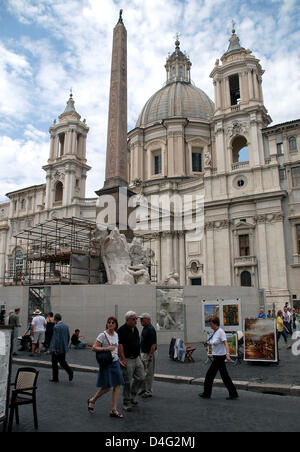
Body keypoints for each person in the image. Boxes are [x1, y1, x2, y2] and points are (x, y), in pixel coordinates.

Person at [87, 317, 124, 418]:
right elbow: (94, 347)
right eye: (109, 322)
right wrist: (106, 348)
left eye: (113, 322)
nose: (111, 324)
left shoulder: (116, 334)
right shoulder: (102, 335)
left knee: (117, 385)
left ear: (116, 324)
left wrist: (120, 359)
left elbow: (116, 349)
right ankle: (92, 400)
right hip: (107, 363)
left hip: (115, 362)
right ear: (107, 324)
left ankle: (113, 409)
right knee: (107, 387)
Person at [199, 316, 239, 400]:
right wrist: (208, 344)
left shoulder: (220, 332)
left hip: (219, 357)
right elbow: (215, 342)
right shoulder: (215, 332)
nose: (210, 326)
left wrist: (228, 355)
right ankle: (233, 393)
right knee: (225, 376)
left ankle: (207, 393)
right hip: (217, 357)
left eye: (211, 324)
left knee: (209, 375)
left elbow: (226, 344)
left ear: (215, 324)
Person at [117, 311, 145, 412]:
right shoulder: (121, 330)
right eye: (134, 319)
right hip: (127, 359)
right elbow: (120, 346)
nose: (136, 321)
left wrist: (139, 355)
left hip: (136, 358)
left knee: (141, 377)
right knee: (127, 381)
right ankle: (126, 402)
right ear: (128, 320)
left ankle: (132, 396)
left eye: (136, 319)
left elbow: (137, 342)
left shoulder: (135, 329)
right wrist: (123, 359)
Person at [49, 314, 74, 383]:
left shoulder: (56, 327)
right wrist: (65, 345)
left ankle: (55, 378)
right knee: (62, 361)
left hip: (57, 348)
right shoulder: (66, 326)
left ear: (55, 319)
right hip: (63, 347)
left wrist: (55, 348)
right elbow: (68, 337)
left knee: (54, 363)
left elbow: (56, 339)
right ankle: (70, 371)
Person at [138, 313, 157, 398]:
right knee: (142, 372)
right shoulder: (145, 328)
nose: (140, 320)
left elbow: (153, 344)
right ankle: (143, 389)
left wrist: (150, 355)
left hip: (148, 353)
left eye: (142, 319)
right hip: (144, 353)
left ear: (148, 320)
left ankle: (148, 391)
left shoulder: (150, 329)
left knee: (149, 373)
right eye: (140, 319)